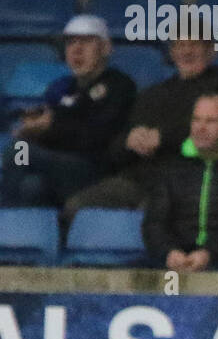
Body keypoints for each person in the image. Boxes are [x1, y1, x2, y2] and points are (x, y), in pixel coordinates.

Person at [64, 37, 218, 222]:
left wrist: (162, 137)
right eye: (180, 45)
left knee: (150, 216)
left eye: (194, 45)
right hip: (136, 179)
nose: (186, 51)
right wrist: (129, 141)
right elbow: (116, 148)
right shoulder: (151, 94)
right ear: (172, 52)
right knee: (76, 207)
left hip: (189, 178)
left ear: (211, 51)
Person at [1, 15, 135, 208]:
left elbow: (97, 135)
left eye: (86, 42)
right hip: (60, 169)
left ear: (105, 48)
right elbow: (57, 127)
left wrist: (50, 127)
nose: (77, 49)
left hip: (95, 170)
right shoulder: (64, 87)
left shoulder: (119, 85)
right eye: (71, 42)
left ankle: (4, 220)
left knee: (19, 150)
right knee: (32, 187)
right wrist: (32, 132)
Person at [142, 93, 218, 272]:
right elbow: (154, 223)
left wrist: (209, 253)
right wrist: (169, 252)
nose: (201, 127)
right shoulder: (170, 169)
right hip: (174, 262)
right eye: (196, 120)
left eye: (210, 121)